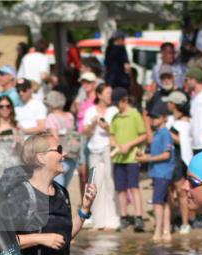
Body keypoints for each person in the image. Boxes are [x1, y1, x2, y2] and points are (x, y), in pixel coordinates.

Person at [82, 83, 119, 230]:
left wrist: (107, 127)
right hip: (94, 150)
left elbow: (117, 132)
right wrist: (92, 124)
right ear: (99, 95)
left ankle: (112, 220)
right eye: (108, 93)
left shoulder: (114, 110)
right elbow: (85, 132)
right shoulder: (91, 110)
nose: (110, 96)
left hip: (108, 149)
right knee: (95, 184)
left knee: (109, 183)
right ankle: (98, 221)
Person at [109, 91, 147, 231]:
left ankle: (139, 217)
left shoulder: (135, 114)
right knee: (121, 189)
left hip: (131, 158)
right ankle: (123, 217)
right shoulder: (115, 117)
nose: (116, 106)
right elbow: (112, 135)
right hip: (118, 157)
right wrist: (114, 144)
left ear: (125, 101)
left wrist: (129, 145)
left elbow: (143, 135)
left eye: (118, 103)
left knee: (134, 187)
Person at [136, 110, 176, 242]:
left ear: (164, 118)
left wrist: (147, 159)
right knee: (163, 201)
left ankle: (159, 231)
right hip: (158, 172)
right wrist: (144, 157)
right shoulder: (157, 133)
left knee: (158, 202)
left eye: (156, 117)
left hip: (163, 172)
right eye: (152, 117)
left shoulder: (165, 134)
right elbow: (156, 154)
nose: (153, 120)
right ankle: (166, 230)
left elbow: (166, 155)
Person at [166, 91, 193, 234]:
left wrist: (166, 132)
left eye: (169, 102)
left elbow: (182, 142)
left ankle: (185, 223)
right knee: (169, 191)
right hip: (168, 158)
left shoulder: (186, 122)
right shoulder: (170, 120)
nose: (167, 105)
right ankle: (169, 222)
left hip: (179, 159)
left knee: (181, 191)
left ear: (174, 105)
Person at [43, 91, 78, 188]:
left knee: (57, 189)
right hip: (72, 155)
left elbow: (54, 139)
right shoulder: (70, 116)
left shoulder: (51, 117)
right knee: (64, 188)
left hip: (59, 158)